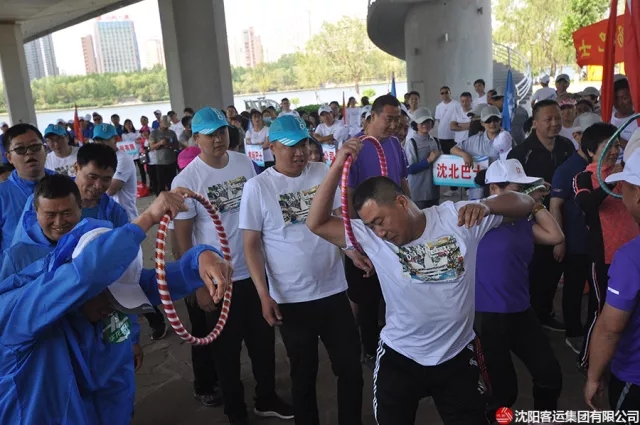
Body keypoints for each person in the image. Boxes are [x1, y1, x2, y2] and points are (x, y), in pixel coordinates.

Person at [306, 140, 536, 425]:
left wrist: (487, 206)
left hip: (456, 355)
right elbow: (316, 223)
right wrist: (337, 166)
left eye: (380, 220)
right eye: (371, 226)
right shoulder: (371, 238)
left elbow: (526, 202)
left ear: (402, 203)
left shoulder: (457, 218)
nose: (379, 232)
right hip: (400, 356)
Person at [0, 188, 233, 425]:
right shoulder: (19, 309)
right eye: (107, 297)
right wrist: (148, 218)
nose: (113, 308)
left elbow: (158, 282)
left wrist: (202, 257)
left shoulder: (109, 314)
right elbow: (88, 273)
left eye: (121, 300)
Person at [239, 115, 364, 425]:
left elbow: (338, 221)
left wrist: (352, 251)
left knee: (350, 367)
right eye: (290, 146)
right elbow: (251, 245)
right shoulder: (257, 187)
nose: (299, 153)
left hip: (333, 290)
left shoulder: (322, 171)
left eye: (304, 144)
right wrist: (263, 294)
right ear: (271, 147)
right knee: (303, 373)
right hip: (292, 299)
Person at [172, 107, 292, 423]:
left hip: (253, 272)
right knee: (226, 352)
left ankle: (266, 398)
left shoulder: (243, 163)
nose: (218, 139)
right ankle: (235, 411)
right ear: (195, 139)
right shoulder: (186, 180)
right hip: (218, 280)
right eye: (210, 134)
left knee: (263, 342)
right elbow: (182, 239)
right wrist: (197, 285)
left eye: (222, 132)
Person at [472, 160, 564, 413]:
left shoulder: (522, 221)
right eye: (517, 190)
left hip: (521, 311)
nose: (522, 196)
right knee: (504, 392)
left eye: (524, 189)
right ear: (494, 189)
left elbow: (556, 236)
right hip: (488, 317)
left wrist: (536, 205)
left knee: (549, 375)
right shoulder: (477, 223)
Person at [346, 94, 410, 368]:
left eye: (397, 120)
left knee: (396, 290)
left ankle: (397, 342)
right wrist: (356, 239)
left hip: (396, 231)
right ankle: (370, 348)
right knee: (367, 296)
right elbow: (348, 197)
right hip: (367, 234)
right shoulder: (355, 147)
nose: (394, 125)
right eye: (389, 119)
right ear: (372, 116)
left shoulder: (395, 144)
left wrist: (412, 215)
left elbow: (403, 182)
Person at [573, 123, 640, 373]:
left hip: (632, 255)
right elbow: (587, 204)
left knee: (627, 313)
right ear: (591, 151)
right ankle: (587, 359)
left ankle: (615, 357)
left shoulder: (627, 173)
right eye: (606, 146)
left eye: (616, 145)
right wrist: (611, 181)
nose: (614, 151)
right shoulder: (583, 177)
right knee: (600, 310)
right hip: (604, 256)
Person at [508, 99, 575, 331]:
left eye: (558, 118)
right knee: (531, 269)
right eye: (548, 119)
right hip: (531, 221)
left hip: (563, 217)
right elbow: (509, 190)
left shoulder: (567, 146)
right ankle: (528, 317)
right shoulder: (520, 153)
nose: (555, 123)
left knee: (554, 268)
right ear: (535, 123)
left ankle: (543, 313)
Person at [584, 149, 640, 413]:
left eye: (624, 186)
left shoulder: (631, 256)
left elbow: (610, 328)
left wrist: (594, 376)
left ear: (637, 193)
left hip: (635, 379)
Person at [550, 112, 602, 354]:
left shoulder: (604, 168)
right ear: (578, 136)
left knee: (596, 289)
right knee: (573, 287)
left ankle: (595, 330)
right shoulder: (567, 169)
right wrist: (559, 240)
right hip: (575, 241)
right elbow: (555, 206)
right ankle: (574, 333)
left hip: (599, 242)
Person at [0, 124, 55, 254]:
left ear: (45, 149)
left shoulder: (66, 185)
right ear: (9, 157)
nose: (29, 152)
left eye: (35, 146)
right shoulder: (2, 195)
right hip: (18, 265)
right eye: (20, 149)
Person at [94, 124, 139, 221]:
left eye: (105, 140)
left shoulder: (123, 159)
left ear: (115, 139)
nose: (101, 143)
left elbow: (110, 190)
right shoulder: (100, 160)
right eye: (98, 140)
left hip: (125, 217)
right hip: (108, 217)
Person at [404, 107, 441, 209]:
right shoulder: (411, 143)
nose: (425, 125)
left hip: (434, 190)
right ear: (415, 124)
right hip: (418, 192)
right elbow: (409, 169)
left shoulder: (435, 141)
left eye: (428, 122)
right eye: (422, 122)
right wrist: (428, 161)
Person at [149, 116, 179, 194]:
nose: (166, 127)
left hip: (171, 161)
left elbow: (177, 146)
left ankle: (173, 197)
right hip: (160, 162)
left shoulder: (172, 133)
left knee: (172, 182)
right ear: (160, 122)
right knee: (161, 183)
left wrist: (169, 144)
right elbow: (151, 147)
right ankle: (161, 198)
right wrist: (160, 143)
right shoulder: (154, 133)